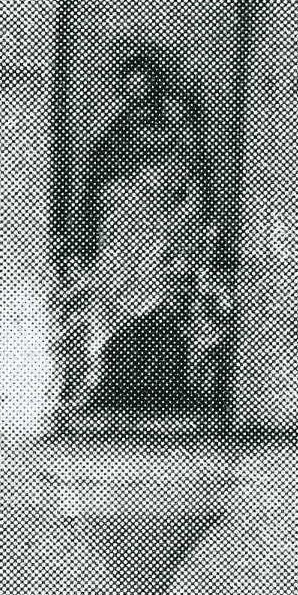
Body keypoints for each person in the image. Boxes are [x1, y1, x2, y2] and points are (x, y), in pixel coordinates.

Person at [74, 39, 220, 413]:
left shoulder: (176, 117)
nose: (133, 90)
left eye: (140, 82)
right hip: (123, 234)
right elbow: (98, 171)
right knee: (122, 310)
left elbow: (192, 172)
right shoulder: (122, 126)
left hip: (163, 230)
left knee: (162, 309)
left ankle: (162, 388)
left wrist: (166, 196)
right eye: (127, 84)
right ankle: (119, 386)